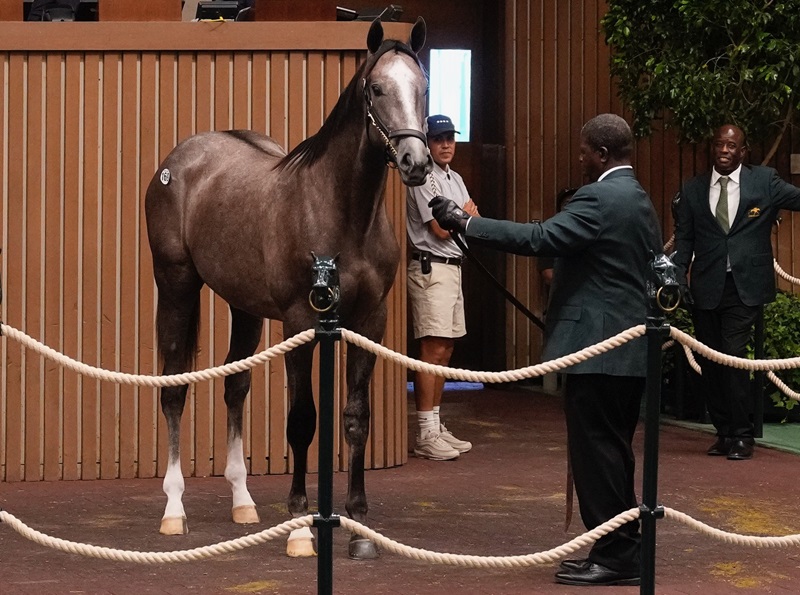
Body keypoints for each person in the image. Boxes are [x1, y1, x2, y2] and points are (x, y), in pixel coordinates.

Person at [431, 113, 662, 586]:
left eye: (583, 151)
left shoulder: (598, 197)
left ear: (600, 154)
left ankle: (618, 555)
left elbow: (540, 238)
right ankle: (619, 546)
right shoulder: (639, 198)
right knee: (613, 453)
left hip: (597, 351)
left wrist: (466, 223)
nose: (579, 159)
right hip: (627, 350)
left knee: (597, 455)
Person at [673, 124, 800, 461]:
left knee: (732, 357)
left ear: (743, 152)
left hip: (746, 287)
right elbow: (684, 239)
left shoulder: (765, 181)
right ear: (711, 149)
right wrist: (678, 280)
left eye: (732, 146)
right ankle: (724, 432)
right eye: (719, 144)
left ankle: (743, 436)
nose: (724, 150)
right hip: (706, 287)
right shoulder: (693, 190)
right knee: (710, 362)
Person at [406, 114, 479, 461]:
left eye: (450, 137)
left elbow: (470, 222)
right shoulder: (423, 178)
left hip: (453, 266)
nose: (446, 144)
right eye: (438, 139)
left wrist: (463, 218)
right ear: (427, 143)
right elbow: (440, 227)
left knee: (446, 349)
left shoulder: (457, 178)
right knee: (432, 349)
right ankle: (424, 431)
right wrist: (463, 217)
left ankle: (435, 424)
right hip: (431, 265)